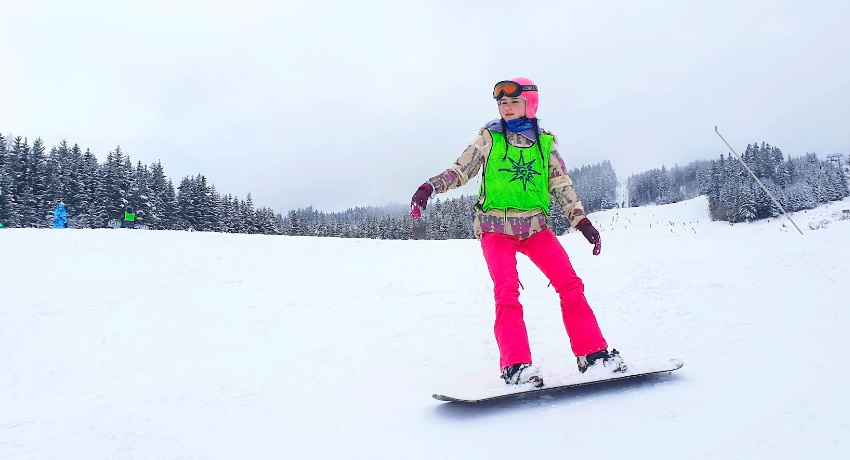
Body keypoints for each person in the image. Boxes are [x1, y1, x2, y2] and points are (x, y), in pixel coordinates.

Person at [410, 78, 625, 388]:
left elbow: (560, 184)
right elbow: (461, 170)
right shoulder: (489, 137)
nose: (507, 108)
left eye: (514, 102)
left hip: (535, 228)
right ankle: (516, 366)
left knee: (570, 285)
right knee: (507, 292)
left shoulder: (545, 143)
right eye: (502, 103)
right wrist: (429, 187)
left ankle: (593, 355)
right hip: (494, 228)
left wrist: (581, 221)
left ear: (530, 105)